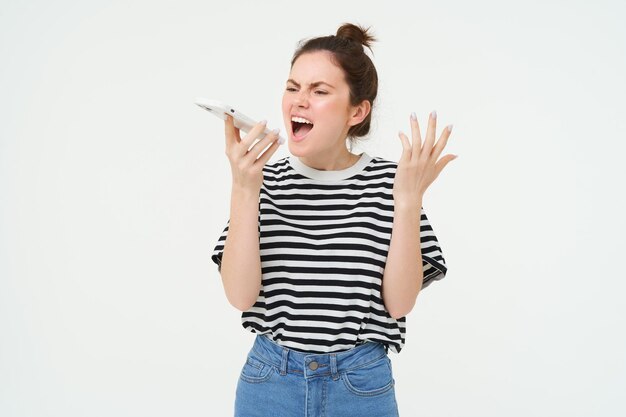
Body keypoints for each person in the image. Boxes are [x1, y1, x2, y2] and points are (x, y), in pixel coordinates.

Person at [211, 22, 456, 417]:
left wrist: (409, 199)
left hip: (360, 385)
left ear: (356, 111)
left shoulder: (394, 184)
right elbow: (240, 297)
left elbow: (399, 304)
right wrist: (243, 189)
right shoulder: (263, 180)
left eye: (319, 91)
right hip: (269, 382)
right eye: (293, 88)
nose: (299, 101)